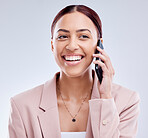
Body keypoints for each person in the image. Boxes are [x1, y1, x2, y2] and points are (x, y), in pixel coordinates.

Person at [8, 4, 140, 138]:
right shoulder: (22, 106)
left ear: (99, 45)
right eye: (62, 37)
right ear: (52, 45)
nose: (72, 46)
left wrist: (105, 97)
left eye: (83, 36)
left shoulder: (126, 102)